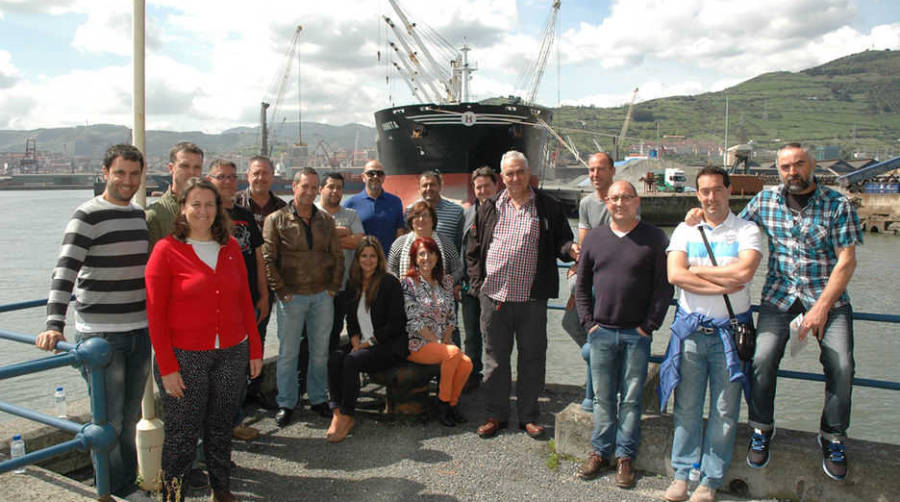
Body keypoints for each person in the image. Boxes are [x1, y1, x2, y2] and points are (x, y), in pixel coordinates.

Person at [739, 143, 862, 481]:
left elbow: (847, 261)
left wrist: (821, 308)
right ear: (777, 170)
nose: (792, 172)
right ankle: (762, 428)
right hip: (779, 298)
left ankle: (833, 436)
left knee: (842, 364)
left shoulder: (837, 204)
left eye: (799, 164)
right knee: (761, 359)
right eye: (785, 167)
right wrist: (698, 217)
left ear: (813, 164)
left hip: (829, 298)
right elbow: (733, 230)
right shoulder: (765, 201)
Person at [35, 144, 150, 498]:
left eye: (134, 174)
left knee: (129, 419)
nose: (127, 181)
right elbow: (64, 271)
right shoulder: (87, 215)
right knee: (109, 421)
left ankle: (126, 483)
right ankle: (115, 487)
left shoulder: (138, 216)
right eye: (120, 173)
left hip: (139, 329)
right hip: (101, 335)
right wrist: (54, 323)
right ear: (105, 173)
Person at [145, 178, 262, 502]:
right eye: (195, 204)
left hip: (231, 352)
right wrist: (167, 367)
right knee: (182, 436)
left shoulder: (229, 249)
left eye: (209, 204)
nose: (203, 211)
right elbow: (155, 314)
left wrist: (254, 347)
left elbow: (244, 302)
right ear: (182, 208)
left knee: (221, 428)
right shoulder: (166, 250)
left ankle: (221, 490)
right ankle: (172, 496)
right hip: (185, 357)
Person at [660, 167, 762, 502]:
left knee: (724, 410)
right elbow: (675, 275)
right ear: (697, 193)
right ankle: (682, 474)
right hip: (691, 331)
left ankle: (710, 480)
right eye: (704, 191)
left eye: (717, 190)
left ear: (729, 191)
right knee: (686, 405)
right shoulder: (685, 230)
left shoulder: (747, 230)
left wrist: (699, 270)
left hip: (730, 336)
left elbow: (745, 272)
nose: (710, 197)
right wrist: (725, 279)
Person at [466, 150, 577, 440]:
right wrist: (478, 287)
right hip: (494, 299)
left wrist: (571, 250)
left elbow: (562, 242)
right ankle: (495, 414)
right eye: (509, 174)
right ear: (501, 178)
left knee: (532, 358)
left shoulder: (548, 206)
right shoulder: (488, 207)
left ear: (529, 174)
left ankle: (528, 416)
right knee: (495, 359)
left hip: (531, 299)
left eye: (520, 172)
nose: (515, 178)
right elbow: (473, 251)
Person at [575, 180, 672, 489]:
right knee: (603, 398)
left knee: (631, 400)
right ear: (606, 202)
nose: (619, 203)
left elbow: (664, 287)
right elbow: (582, 285)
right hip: (601, 331)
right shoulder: (595, 239)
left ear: (637, 201)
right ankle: (600, 451)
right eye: (614, 198)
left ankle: (625, 457)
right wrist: (589, 323)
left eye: (625, 198)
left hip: (636, 334)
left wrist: (649, 325)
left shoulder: (655, 238)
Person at [263, 167, 343, 427]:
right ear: (293, 187)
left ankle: (319, 399)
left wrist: (332, 288)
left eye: (313, 187)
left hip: (322, 296)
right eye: (304, 186)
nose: (309, 192)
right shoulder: (276, 219)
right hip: (292, 297)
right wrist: (282, 291)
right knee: (288, 353)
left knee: (320, 352)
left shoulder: (326, 221)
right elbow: (268, 259)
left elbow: (337, 257)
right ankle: (286, 403)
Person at [207, 159, 268, 442]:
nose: (229, 182)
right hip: (220, 306)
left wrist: (264, 295)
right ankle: (216, 429)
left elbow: (257, 257)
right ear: (210, 180)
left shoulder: (244, 214)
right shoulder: (206, 217)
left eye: (232, 177)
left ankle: (234, 421)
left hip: (249, 301)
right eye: (222, 177)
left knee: (241, 367)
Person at [326, 237, 408, 442]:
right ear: (358, 258)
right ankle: (336, 411)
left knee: (352, 360)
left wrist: (368, 343)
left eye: (372, 256)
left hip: (387, 346)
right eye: (364, 256)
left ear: (379, 258)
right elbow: (351, 319)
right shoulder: (353, 282)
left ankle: (347, 414)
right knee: (335, 357)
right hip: (362, 343)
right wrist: (354, 339)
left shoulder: (389, 282)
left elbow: (396, 323)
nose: (368, 260)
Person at [564, 152, 616, 411]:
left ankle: (595, 393)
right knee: (571, 322)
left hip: (611, 279)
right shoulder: (586, 203)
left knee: (599, 334)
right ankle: (599, 368)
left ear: (612, 171)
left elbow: (617, 242)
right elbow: (585, 244)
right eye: (592, 170)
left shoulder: (620, 200)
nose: (595, 175)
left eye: (600, 169)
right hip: (590, 274)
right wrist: (578, 264)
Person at [402, 236, 473, 427]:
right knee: (453, 354)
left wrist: (446, 339)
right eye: (421, 254)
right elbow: (414, 321)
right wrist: (438, 343)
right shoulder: (408, 284)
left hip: (443, 342)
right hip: (418, 344)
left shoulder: (446, 282)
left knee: (467, 364)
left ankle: (452, 404)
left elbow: (451, 317)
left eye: (431, 253)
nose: (427, 258)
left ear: (437, 256)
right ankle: (443, 404)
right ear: (415, 259)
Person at [235, 155, 286, 406]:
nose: (260, 178)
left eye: (265, 173)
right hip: (235, 284)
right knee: (234, 342)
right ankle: (235, 396)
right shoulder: (234, 206)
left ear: (272, 176)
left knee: (259, 336)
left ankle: (253, 391)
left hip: (267, 284)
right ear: (248, 175)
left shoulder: (281, 207)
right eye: (256, 173)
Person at [460, 167, 498, 391]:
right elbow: (461, 246)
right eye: (478, 187)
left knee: (493, 336)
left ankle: (493, 379)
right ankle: (472, 375)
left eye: (487, 186)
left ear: (496, 186)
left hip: (494, 287)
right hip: (469, 285)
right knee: (471, 334)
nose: (482, 191)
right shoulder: (466, 213)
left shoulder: (503, 212)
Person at [317, 172, 365, 349]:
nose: (335, 191)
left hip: (344, 286)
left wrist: (326, 236)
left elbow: (358, 242)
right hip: (316, 287)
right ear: (321, 189)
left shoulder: (351, 214)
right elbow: (312, 242)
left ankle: (331, 374)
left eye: (338, 188)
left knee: (335, 332)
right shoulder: (312, 212)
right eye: (330, 187)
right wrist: (343, 232)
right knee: (314, 335)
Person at [387, 201, 461, 281]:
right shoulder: (399, 243)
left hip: (439, 291)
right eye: (417, 216)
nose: (421, 219)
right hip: (405, 291)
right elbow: (391, 270)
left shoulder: (446, 243)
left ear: (433, 219)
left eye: (425, 215)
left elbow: (457, 270)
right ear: (411, 220)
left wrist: (447, 284)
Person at [146, 142, 204, 246]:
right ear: (171, 168)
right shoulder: (155, 216)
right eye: (184, 166)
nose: (191, 172)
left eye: (197, 167)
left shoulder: (211, 211)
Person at [344, 159, 405, 253]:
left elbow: (400, 233)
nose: (375, 176)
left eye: (379, 173)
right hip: (362, 263)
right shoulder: (351, 203)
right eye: (371, 173)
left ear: (384, 177)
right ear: (363, 177)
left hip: (388, 262)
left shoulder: (395, 202)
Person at [408, 171, 465, 252]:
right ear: (419, 189)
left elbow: (460, 244)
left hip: (447, 261)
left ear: (440, 186)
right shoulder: (410, 211)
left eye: (432, 185)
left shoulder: (456, 211)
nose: (428, 188)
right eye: (424, 186)